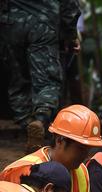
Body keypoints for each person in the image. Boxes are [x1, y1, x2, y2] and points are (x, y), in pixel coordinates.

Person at [1, 105, 102, 192]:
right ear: (60, 140)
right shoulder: (22, 171)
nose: (86, 156)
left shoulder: (82, 173)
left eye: (89, 150)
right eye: (81, 149)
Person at [0, 0, 81, 152]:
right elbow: (70, 6)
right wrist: (70, 35)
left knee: (18, 80)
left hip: (10, 24)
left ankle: (27, 126)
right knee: (47, 80)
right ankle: (40, 120)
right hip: (43, 23)